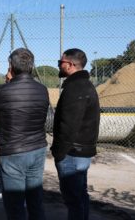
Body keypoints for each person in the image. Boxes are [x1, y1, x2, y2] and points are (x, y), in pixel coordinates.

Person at [0, 48, 49, 220]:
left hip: (13, 151)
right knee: (35, 200)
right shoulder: (42, 90)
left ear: (11, 67)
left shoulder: (2, 90)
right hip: (38, 148)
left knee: (15, 204)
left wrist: (7, 86)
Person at [51, 48, 100, 220]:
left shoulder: (76, 88)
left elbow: (68, 125)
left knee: (73, 200)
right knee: (80, 196)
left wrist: (58, 152)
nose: (58, 65)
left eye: (60, 62)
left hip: (72, 153)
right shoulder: (84, 85)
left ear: (70, 65)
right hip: (80, 152)